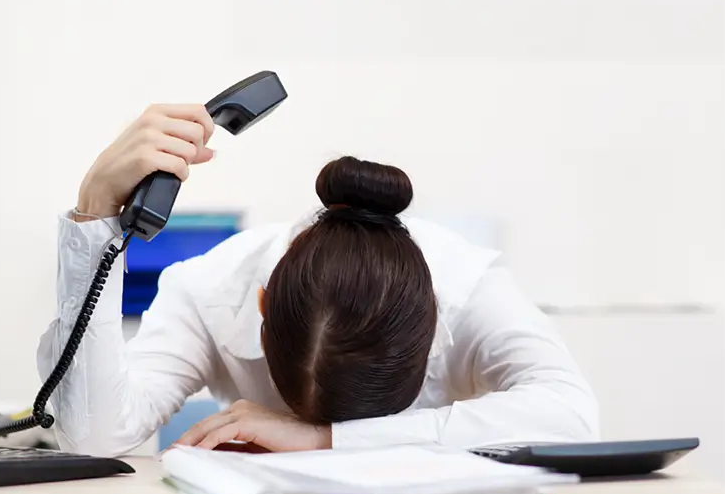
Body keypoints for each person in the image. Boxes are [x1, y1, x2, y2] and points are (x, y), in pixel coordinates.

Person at [37, 104, 600, 458]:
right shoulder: (208, 289)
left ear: (434, 322)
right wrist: (94, 216)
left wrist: (324, 439)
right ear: (261, 308)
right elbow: (95, 436)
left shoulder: (465, 284)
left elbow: (571, 416)